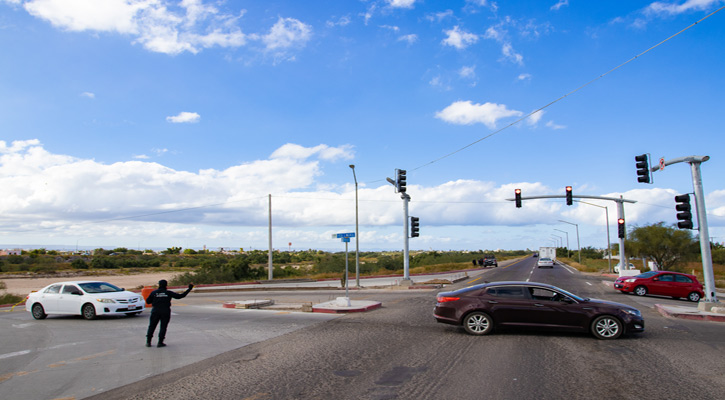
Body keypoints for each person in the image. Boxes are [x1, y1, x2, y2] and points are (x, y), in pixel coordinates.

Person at [145, 280, 194, 347]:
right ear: (166, 285)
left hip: (155, 310)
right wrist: (189, 289)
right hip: (165, 311)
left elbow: (148, 301)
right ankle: (160, 342)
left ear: (159, 285)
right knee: (163, 327)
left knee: (152, 326)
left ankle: (148, 342)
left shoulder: (154, 293)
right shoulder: (168, 293)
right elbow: (180, 296)